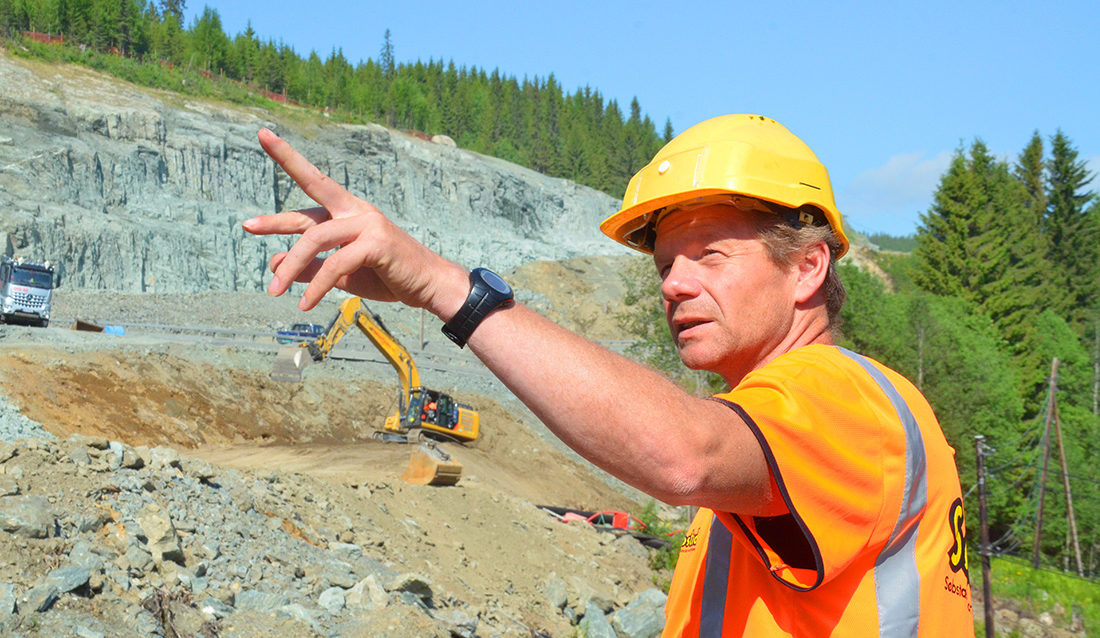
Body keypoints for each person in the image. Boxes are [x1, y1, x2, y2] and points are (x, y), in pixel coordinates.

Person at [242, 114, 974, 636]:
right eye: (665, 266)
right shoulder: (775, 439)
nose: (674, 286)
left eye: (711, 256)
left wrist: (443, 286)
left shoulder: (843, 398)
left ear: (808, 266)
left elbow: (684, 455)